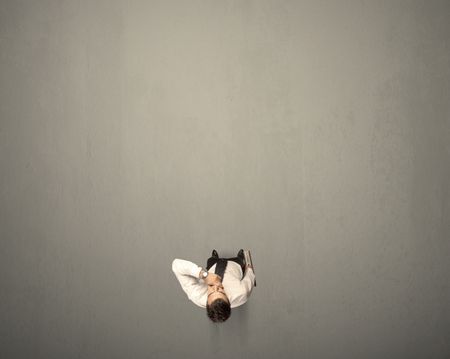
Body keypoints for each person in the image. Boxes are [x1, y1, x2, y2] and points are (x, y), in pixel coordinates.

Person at [172, 249, 255, 322]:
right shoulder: (242, 292)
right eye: (221, 290)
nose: (215, 286)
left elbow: (176, 264)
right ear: (228, 300)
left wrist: (204, 275)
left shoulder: (197, 294)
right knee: (240, 260)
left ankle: (214, 258)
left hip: (213, 265)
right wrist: (248, 267)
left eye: (211, 292)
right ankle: (239, 258)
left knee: (211, 260)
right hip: (234, 264)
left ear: (206, 302)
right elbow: (250, 276)